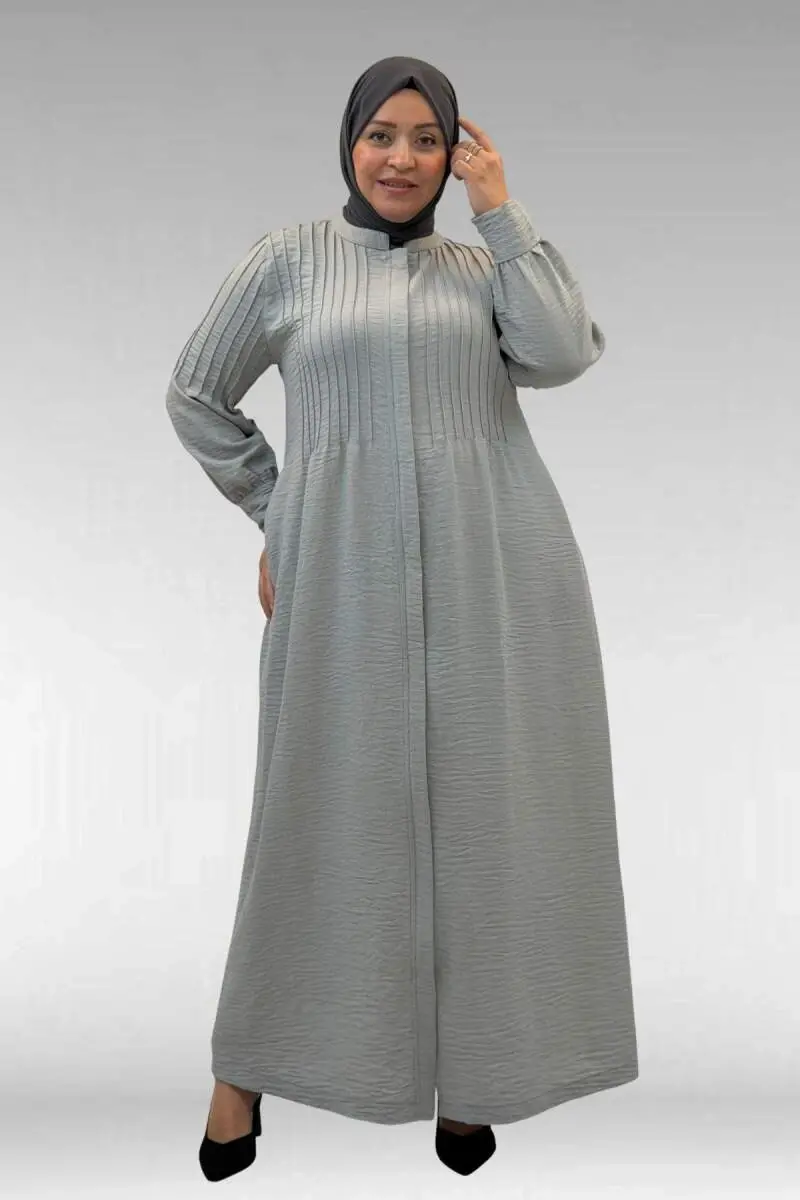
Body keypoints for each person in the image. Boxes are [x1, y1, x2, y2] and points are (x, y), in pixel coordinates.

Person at [166, 55, 639, 1181]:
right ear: (348, 142)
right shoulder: (288, 260)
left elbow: (561, 353)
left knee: (490, 824)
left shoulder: (483, 266)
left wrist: (501, 211)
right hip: (340, 575)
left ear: (453, 154)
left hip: (499, 569)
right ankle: (243, 1073)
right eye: (381, 133)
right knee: (314, 813)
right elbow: (196, 393)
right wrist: (280, 513)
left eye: (428, 139)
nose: (402, 158)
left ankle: (477, 1078)